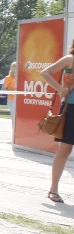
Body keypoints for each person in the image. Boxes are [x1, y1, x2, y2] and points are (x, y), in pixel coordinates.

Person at [39, 43, 74, 204]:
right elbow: (45, 73)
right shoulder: (70, 59)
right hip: (71, 109)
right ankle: (53, 189)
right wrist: (60, 89)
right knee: (64, 151)